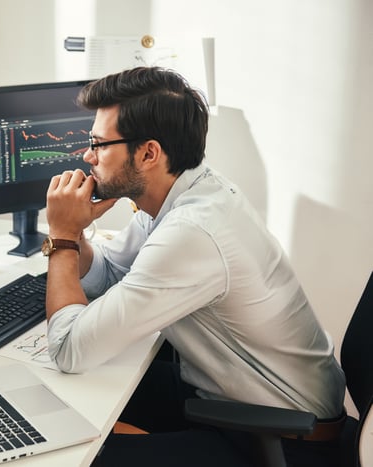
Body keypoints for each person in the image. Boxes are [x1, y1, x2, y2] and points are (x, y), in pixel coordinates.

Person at [42, 66, 346, 466]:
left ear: (149, 153)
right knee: (66, 395)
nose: (88, 156)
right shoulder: (182, 192)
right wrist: (76, 233)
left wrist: (62, 238)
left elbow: (68, 350)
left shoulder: (192, 231)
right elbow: (112, 277)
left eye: (99, 144)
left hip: (280, 436)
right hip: (237, 396)